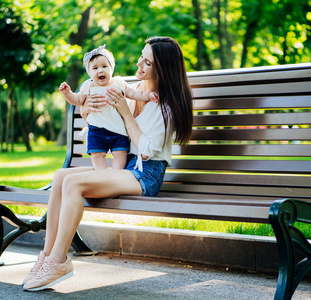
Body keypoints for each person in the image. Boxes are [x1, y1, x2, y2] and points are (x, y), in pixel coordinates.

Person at [22, 36, 193, 291]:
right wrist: (86, 109)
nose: (139, 63)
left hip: (146, 173)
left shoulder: (164, 105)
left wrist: (125, 111)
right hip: (126, 168)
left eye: (147, 61)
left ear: (162, 69)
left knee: (72, 183)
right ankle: (46, 257)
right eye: (141, 56)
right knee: (60, 176)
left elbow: (146, 152)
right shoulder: (134, 89)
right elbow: (102, 122)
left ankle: (59, 261)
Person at [59, 45, 159, 170]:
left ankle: (116, 173)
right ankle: (102, 174)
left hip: (118, 129)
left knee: (120, 153)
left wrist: (149, 95)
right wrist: (67, 93)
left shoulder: (119, 83)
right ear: (89, 72)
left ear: (111, 68)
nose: (100, 71)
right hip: (96, 130)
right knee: (97, 154)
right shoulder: (88, 86)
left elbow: (134, 94)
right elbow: (77, 100)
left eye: (104, 66)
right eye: (95, 68)